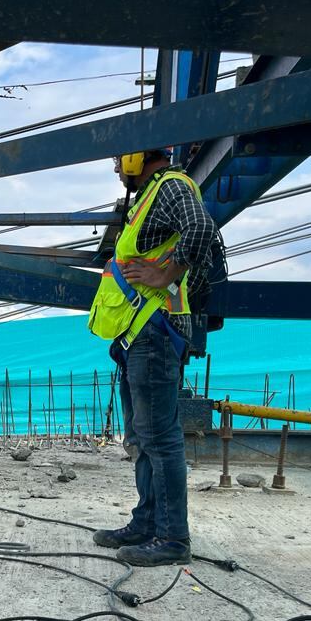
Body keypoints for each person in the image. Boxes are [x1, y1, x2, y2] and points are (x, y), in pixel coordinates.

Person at [87, 148, 220, 567]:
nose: (114, 168)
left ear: (136, 158)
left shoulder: (171, 186)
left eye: (117, 160)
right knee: (143, 438)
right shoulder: (149, 198)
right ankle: (146, 523)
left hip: (156, 331)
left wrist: (166, 274)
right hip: (140, 334)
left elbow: (200, 229)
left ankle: (172, 538)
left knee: (160, 439)